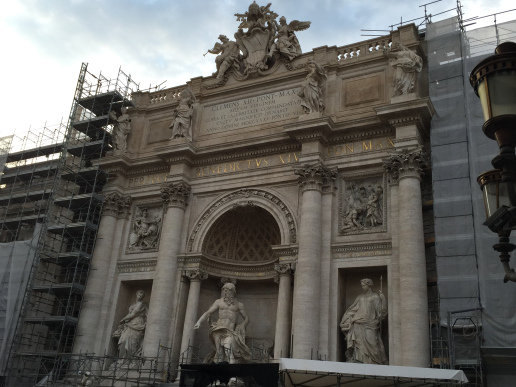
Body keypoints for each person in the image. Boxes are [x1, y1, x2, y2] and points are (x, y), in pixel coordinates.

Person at [194, 283, 251, 364]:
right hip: (218, 329)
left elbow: (247, 318)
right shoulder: (218, 302)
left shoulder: (239, 305)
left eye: (227, 291)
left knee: (229, 350)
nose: (225, 293)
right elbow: (208, 313)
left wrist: (243, 324)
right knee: (219, 352)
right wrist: (199, 322)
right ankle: (218, 374)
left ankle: (232, 374)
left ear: (233, 292)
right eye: (224, 291)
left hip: (230, 331)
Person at [340, 278, 388, 364]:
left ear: (369, 285)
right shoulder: (360, 297)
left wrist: (383, 299)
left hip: (371, 324)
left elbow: (381, 313)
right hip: (358, 323)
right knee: (358, 344)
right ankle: (359, 361)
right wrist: (347, 318)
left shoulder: (375, 297)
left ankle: (375, 363)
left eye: (364, 285)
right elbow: (353, 309)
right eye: (362, 286)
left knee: (373, 344)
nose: (362, 287)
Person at [113, 290, 148, 367]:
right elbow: (131, 314)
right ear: (136, 295)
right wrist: (126, 320)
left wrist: (123, 319)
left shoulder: (141, 304)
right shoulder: (133, 304)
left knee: (133, 343)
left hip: (138, 323)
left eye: (141, 296)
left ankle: (130, 361)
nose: (139, 297)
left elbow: (134, 313)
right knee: (123, 341)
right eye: (138, 295)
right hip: (129, 324)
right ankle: (121, 360)